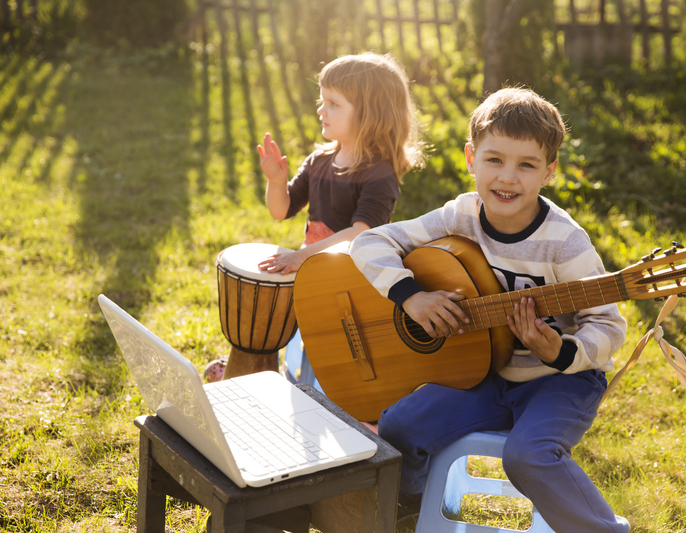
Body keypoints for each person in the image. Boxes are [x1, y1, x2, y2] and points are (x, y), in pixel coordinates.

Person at [349, 87, 630, 531]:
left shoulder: (565, 242)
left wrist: (559, 350)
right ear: (470, 157)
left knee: (527, 455)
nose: (507, 178)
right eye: (494, 159)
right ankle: (411, 508)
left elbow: (609, 324)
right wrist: (412, 296)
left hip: (560, 380)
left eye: (526, 165)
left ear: (549, 171)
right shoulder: (459, 216)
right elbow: (370, 241)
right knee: (400, 424)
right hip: (482, 372)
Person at [205, 52, 424, 383]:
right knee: (297, 340)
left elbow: (358, 234)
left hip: (350, 284)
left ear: (369, 114)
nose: (321, 110)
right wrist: (276, 181)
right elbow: (281, 210)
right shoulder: (319, 161)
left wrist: (301, 256)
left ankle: (321, 396)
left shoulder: (379, 175)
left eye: (333, 103)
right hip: (312, 274)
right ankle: (281, 379)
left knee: (327, 357)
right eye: (322, 100)